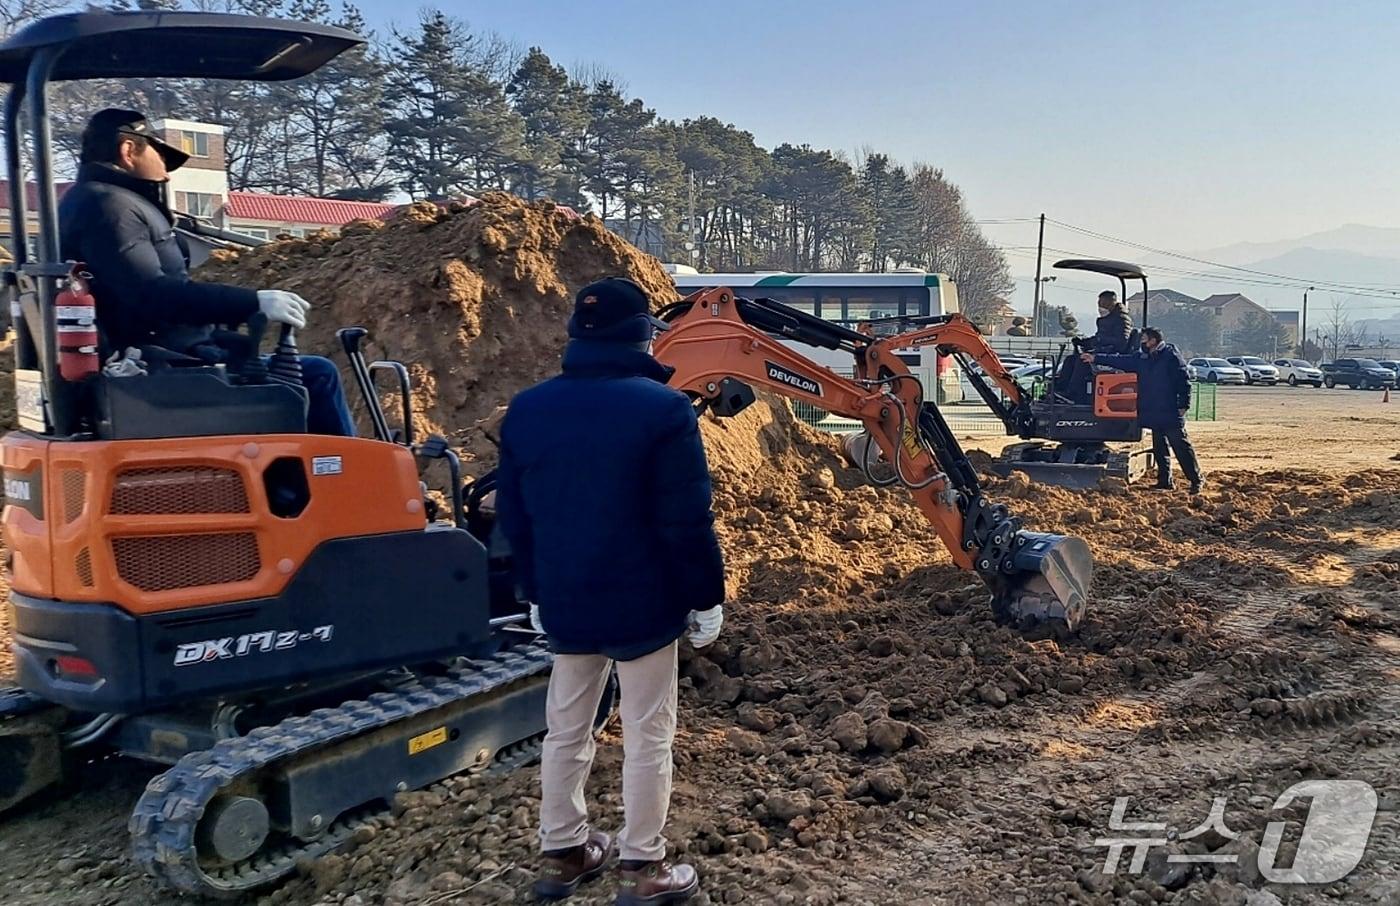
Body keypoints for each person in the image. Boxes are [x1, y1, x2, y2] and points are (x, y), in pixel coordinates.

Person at [495, 277, 725, 904]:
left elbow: (514, 517)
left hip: (567, 596)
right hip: (644, 600)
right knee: (649, 732)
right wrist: (706, 596)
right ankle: (642, 867)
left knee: (566, 728)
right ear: (640, 334)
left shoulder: (529, 408)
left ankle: (564, 850)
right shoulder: (662, 408)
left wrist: (534, 589)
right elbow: (685, 519)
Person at [58, 109, 354, 436]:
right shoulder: (111, 208)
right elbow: (152, 295)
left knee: (300, 369)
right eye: (160, 156)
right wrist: (252, 302)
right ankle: (349, 481)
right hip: (161, 373)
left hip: (159, 359)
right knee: (318, 374)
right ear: (128, 151)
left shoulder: (90, 203)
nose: (167, 175)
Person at [1082, 326, 1204, 494]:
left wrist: (1183, 405)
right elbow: (1121, 361)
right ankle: (1164, 481)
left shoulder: (1171, 356)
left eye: (1144, 340)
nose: (1142, 344)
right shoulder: (1142, 358)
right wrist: (1095, 358)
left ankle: (1196, 480)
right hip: (1153, 410)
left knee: (1180, 446)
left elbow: (1183, 382)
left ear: (1153, 341)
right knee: (1160, 448)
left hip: (1170, 410)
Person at [1056, 290, 1134, 402]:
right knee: (1070, 360)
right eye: (1099, 304)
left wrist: (1101, 340)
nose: (1101, 307)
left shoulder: (1122, 319)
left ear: (1112, 303)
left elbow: (1121, 342)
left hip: (1113, 355)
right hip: (1102, 351)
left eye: (1104, 304)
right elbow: (1098, 338)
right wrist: (1083, 342)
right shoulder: (1105, 320)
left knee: (1082, 362)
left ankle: (1073, 394)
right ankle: (1061, 389)